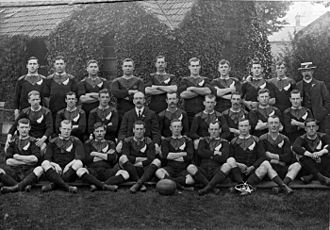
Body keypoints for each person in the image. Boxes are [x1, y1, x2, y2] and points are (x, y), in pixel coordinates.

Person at [226, 118, 293, 195]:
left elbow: (262, 157)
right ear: (238, 127)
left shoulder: (256, 140)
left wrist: (252, 167)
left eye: (246, 126)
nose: (244, 128)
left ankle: (283, 186)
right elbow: (229, 157)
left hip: (252, 172)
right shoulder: (233, 141)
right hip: (238, 171)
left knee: (266, 163)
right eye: (241, 126)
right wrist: (239, 165)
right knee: (230, 160)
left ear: (250, 127)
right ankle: (242, 185)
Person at [76, 122, 129, 191]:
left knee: (125, 174)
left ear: (105, 132)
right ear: (94, 132)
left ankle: (97, 185)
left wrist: (95, 153)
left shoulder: (111, 143)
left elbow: (112, 158)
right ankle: (106, 186)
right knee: (80, 171)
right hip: (93, 171)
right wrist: (106, 155)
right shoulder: (87, 143)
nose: (99, 133)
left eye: (101, 131)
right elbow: (87, 159)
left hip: (107, 170)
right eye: (97, 131)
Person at [187, 121, 232, 195]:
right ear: (208, 130)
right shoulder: (203, 140)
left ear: (220, 130)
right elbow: (200, 152)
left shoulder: (225, 142)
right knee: (190, 167)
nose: (213, 131)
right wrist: (214, 153)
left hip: (216, 170)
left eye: (216, 129)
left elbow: (223, 157)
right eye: (211, 129)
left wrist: (207, 154)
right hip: (203, 170)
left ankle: (206, 188)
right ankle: (213, 188)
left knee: (227, 166)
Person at [259, 116, 301, 193]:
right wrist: (278, 161)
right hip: (269, 170)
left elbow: (288, 157)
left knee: (297, 165)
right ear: (267, 125)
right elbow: (262, 156)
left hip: (282, 169)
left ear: (279, 125)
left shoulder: (285, 139)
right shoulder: (262, 139)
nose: (274, 125)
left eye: (276, 123)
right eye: (271, 123)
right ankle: (284, 187)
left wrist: (272, 156)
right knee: (265, 164)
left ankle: (281, 186)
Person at [0, 118, 44, 193]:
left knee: (40, 169)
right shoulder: (13, 141)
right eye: (22, 127)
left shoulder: (34, 141)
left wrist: (18, 157)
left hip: (28, 172)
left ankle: (13, 186)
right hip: (14, 171)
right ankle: (22, 186)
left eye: (26, 127)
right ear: (17, 128)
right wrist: (27, 161)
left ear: (29, 128)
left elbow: (35, 159)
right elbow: (8, 161)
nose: (24, 130)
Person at [40, 120, 84, 193]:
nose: (66, 131)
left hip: (69, 171)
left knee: (79, 163)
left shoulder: (76, 141)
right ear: (60, 129)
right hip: (55, 171)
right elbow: (47, 158)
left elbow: (79, 157)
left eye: (68, 129)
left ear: (71, 129)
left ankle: (53, 185)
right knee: (45, 163)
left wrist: (68, 166)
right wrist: (56, 165)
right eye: (64, 129)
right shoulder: (53, 142)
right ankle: (67, 187)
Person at [118, 121, 161, 193]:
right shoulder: (127, 141)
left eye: (141, 129)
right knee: (122, 158)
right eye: (137, 129)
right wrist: (142, 159)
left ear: (144, 130)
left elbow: (151, 158)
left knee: (157, 161)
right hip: (131, 168)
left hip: (145, 168)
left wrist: (140, 163)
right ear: (133, 130)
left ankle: (138, 183)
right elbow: (126, 156)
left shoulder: (149, 141)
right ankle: (140, 183)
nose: (139, 131)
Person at [155, 119, 195, 189]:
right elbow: (165, 156)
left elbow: (189, 156)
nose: (176, 128)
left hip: (183, 168)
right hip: (170, 168)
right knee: (158, 172)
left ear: (181, 128)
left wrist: (171, 155)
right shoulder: (166, 141)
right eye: (175, 126)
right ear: (171, 128)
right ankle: (181, 187)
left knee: (191, 180)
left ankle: (171, 181)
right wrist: (183, 153)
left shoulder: (188, 141)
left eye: (178, 126)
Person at [292, 118, 330, 185]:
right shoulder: (301, 138)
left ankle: (311, 177)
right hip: (308, 165)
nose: (311, 128)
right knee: (300, 155)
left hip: (321, 163)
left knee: (327, 153)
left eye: (313, 126)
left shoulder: (323, 136)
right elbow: (295, 147)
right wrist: (311, 155)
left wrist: (319, 153)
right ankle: (321, 178)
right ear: (305, 129)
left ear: (317, 127)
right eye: (309, 127)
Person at [296, 62, 330, 133]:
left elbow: (327, 101)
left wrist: (321, 114)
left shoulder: (320, 84)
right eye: (304, 71)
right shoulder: (297, 86)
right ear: (301, 73)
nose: (306, 73)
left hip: (319, 120)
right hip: (303, 120)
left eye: (308, 70)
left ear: (312, 71)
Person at [178, 57, 213, 125]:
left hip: (203, 114)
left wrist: (192, 89)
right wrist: (201, 90)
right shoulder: (184, 80)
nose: (195, 68)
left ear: (200, 67)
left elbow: (208, 91)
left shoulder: (205, 79)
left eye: (197, 65)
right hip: (188, 114)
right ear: (189, 67)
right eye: (193, 66)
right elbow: (183, 94)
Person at [44, 56, 78, 120]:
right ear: (54, 65)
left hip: (68, 111)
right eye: (57, 64)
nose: (59, 66)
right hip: (53, 111)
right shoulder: (49, 79)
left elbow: (76, 95)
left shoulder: (71, 79)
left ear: (65, 65)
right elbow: (45, 96)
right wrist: (49, 107)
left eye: (61, 64)